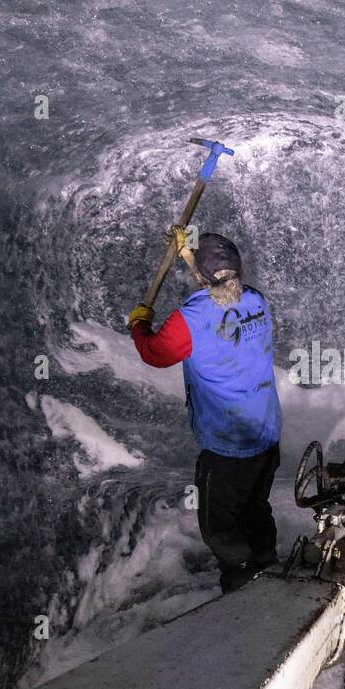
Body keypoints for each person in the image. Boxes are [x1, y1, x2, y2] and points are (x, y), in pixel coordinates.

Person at [127, 228, 282, 594]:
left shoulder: (191, 318)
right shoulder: (256, 301)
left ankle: (243, 580)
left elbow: (154, 353)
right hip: (266, 433)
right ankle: (267, 562)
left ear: (199, 277)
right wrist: (188, 254)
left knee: (217, 524)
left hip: (229, 446)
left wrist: (139, 324)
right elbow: (221, 288)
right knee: (255, 505)